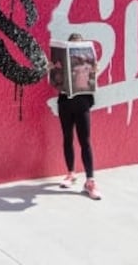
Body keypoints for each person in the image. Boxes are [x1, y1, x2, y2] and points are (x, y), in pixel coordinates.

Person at [53, 33, 101, 200]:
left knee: (85, 141)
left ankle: (90, 180)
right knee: (67, 138)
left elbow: (91, 82)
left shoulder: (88, 65)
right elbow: (56, 82)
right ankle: (71, 173)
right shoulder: (62, 64)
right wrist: (53, 69)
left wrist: (95, 71)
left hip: (82, 104)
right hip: (65, 102)